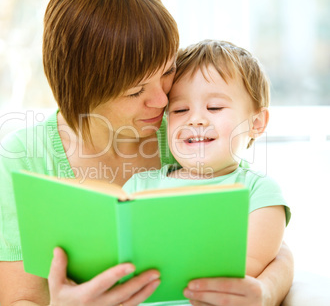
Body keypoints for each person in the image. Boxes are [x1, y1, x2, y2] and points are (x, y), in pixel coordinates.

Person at [0, 0, 294, 305]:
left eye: (167, 72)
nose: (162, 100)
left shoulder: (182, 131)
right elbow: (21, 299)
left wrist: (266, 292)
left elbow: (270, 245)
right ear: (82, 92)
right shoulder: (24, 158)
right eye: (135, 92)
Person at [122, 39, 291, 303]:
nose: (196, 118)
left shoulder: (259, 191)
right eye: (179, 109)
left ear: (256, 123)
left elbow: (249, 265)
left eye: (214, 107)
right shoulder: (137, 186)